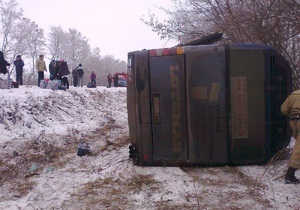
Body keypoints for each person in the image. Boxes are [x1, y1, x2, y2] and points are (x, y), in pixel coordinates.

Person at [281, 90, 300, 184]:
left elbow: (284, 109)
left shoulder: (294, 95)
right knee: (299, 149)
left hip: (294, 121)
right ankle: (290, 175)